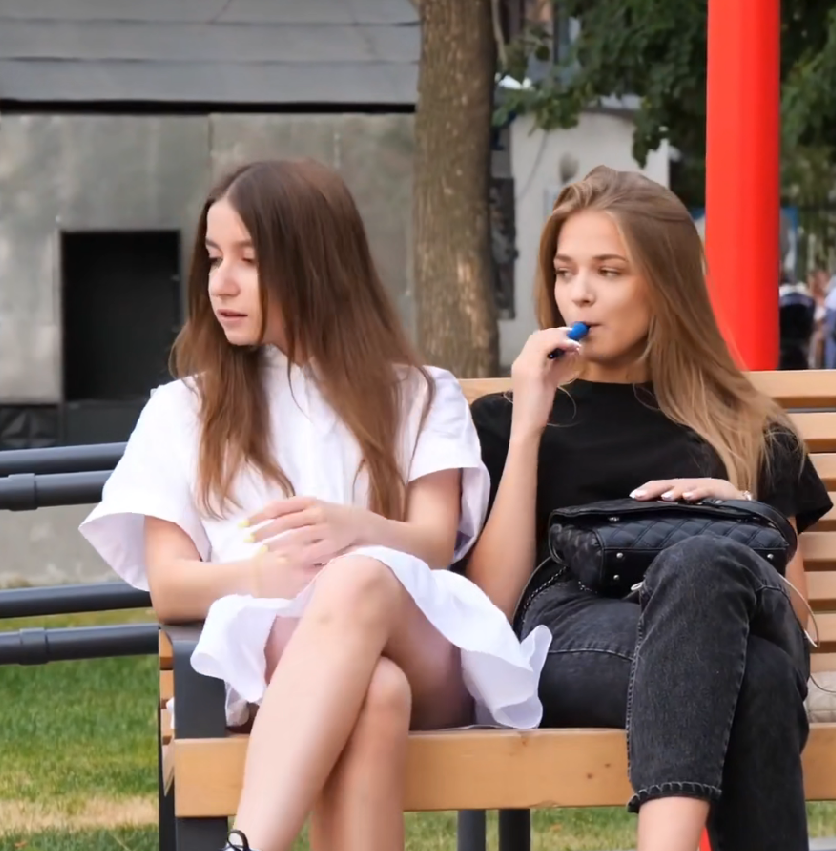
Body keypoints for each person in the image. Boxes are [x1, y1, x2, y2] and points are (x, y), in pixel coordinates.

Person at [79, 159, 550, 851]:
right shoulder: (182, 411)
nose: (222, 282)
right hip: (272, 658)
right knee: (374, 692)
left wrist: (359, 530)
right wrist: (264, 577)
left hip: (424, 649)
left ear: (316, 264)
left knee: (357, 578)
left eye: (249, 260)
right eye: (214, 257)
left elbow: (434, 541)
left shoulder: (418, 392)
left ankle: (251, 843)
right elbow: (170, 586)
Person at [463, 166, 832, 851]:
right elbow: (491, 608)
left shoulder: (748, 429)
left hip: (731, 621)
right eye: (565, 270)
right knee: (755, 677)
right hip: (571, 632)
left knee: (712, 578)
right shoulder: (508, 419)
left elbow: (794, 615)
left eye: (609, 271)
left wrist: (743, 515)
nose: (579, 291)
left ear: (665, 283)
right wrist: (529, 426)